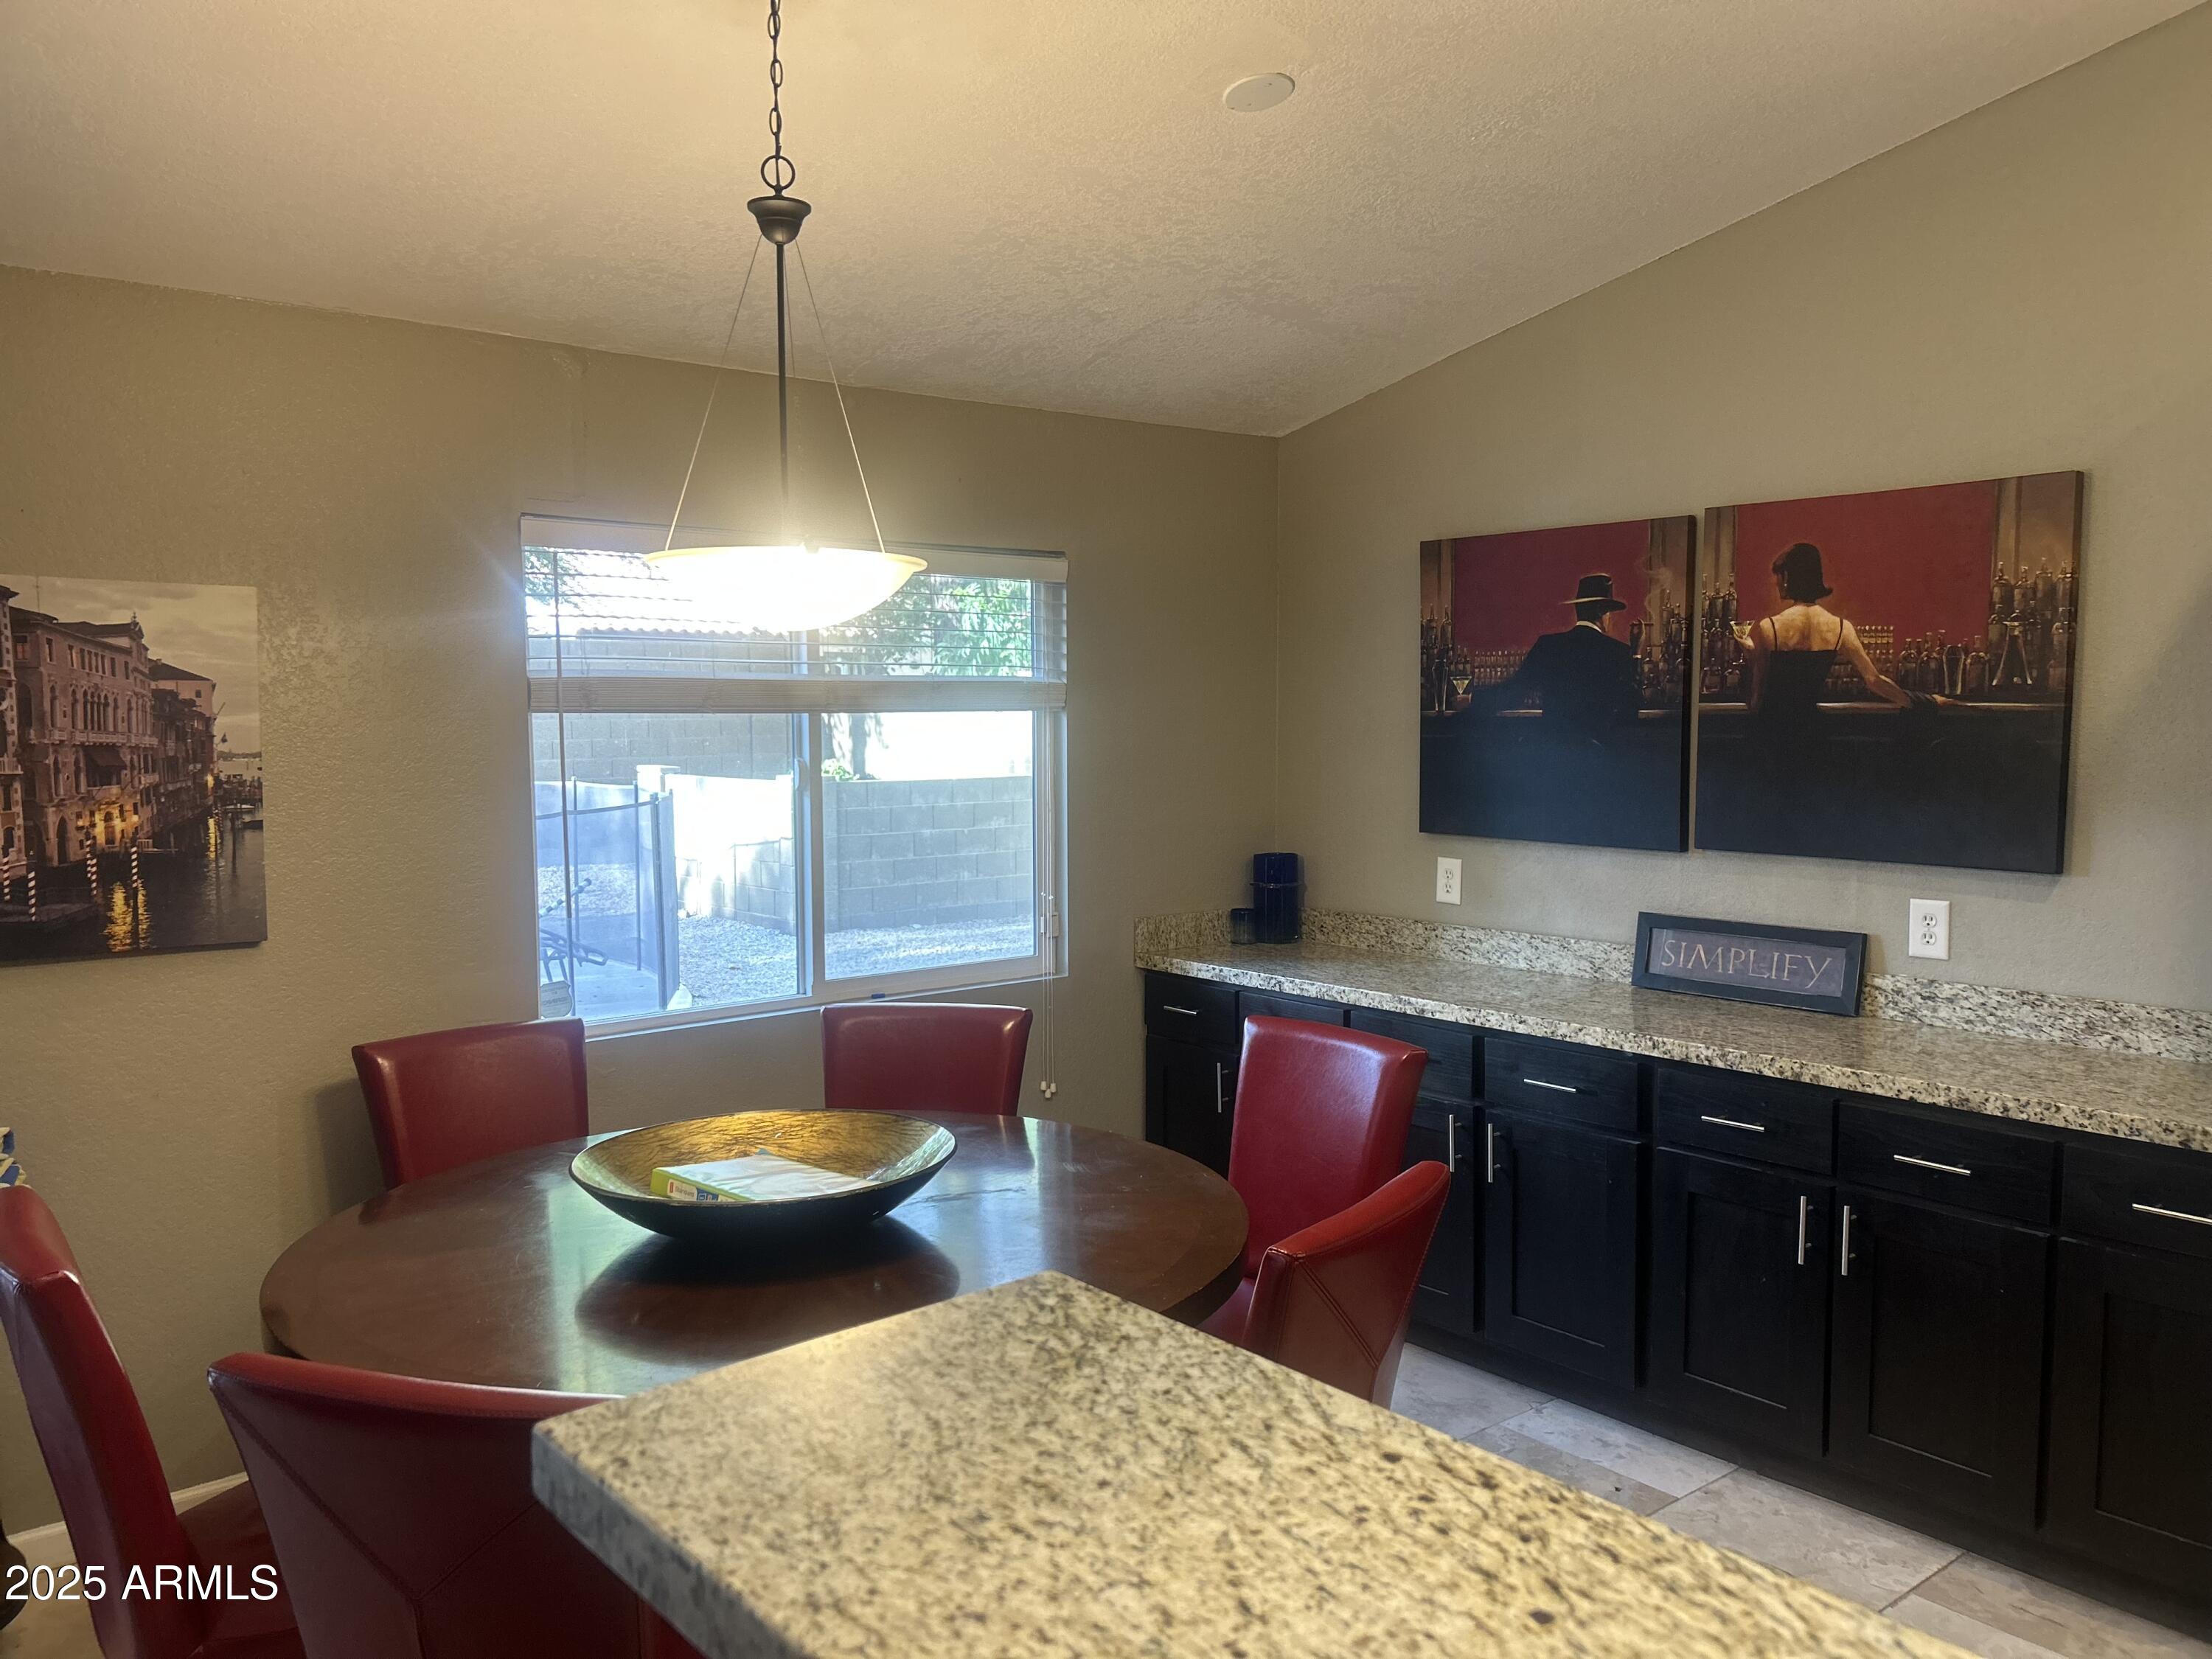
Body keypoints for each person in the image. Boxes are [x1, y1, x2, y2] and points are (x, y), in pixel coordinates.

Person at [1743, 543, 1913, 727]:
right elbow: (1874, 680)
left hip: (1774, 731)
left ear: (1788, 577)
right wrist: (1919, 701)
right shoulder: (1841, 627)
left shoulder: (1770, 628)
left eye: (1778, 575)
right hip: (1812, 731)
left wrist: (1752, 653)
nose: (1775, 582)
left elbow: (1757, 699)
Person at [1484, 574, 1640, 739]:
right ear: (1604, 613)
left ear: (1578, 610)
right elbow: (1631, 707)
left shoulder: (1548, 645)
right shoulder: (1618, 652)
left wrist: (1473, 699)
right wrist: (1636, 654)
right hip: (1598, 757)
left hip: (1554, 754)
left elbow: (1514, 693)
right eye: (1609, 613)